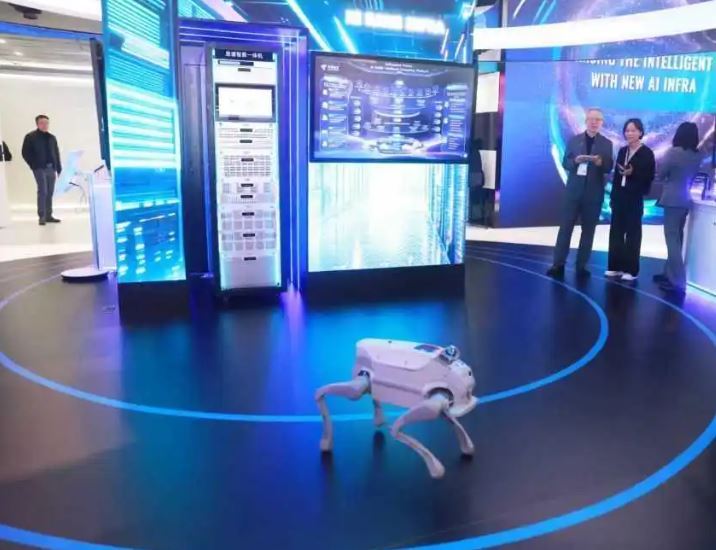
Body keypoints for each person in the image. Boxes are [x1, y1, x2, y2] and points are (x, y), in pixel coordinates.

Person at [547, 108, 614, 278]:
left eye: (598, 120)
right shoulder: (574, 140)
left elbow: (609, 167)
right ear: (586, 121)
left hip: (594, 194)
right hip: (573, 192)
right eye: (591, 119)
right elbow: (565, 162)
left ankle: (581, 265)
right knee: (565, 229)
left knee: (588, 231)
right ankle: (558, 264)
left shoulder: (607, 143)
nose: (594, 122)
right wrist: (575, 161)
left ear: (602, 123)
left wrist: (600, 163)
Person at [653, 122, 702, 293]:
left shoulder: (673, 152)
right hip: (685, 200)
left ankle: (678, 281)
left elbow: (661, 174)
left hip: (673, 200)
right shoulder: (697, 155)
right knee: (677, 237)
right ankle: (669, 273)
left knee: (671, 239)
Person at [606, 118, 655, 281]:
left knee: (633, 234)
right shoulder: (622, 151)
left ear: (640, 132)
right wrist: (613, 196)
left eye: (633, 130)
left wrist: (633, 173)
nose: (630, 133)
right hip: (619, 196)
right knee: (616, 232)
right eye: (627, 130)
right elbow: (616, 176)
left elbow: (649, 177)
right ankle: (615, 266)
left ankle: (631, 270)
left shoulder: (647, 153)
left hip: (634, 198)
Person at [22, 115, 62, 226]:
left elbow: (56, 153)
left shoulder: (52, 138)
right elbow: (25, 153)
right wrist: (33, 165)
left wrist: (59, 169)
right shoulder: (30, 137)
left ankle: (49, 215)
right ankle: (42, 216)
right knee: (43, 191)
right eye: (42, 123)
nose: (45, 125)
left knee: (50, 191)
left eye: (46, 123)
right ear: (37, 124)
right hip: (39, 168)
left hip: (51, 168)